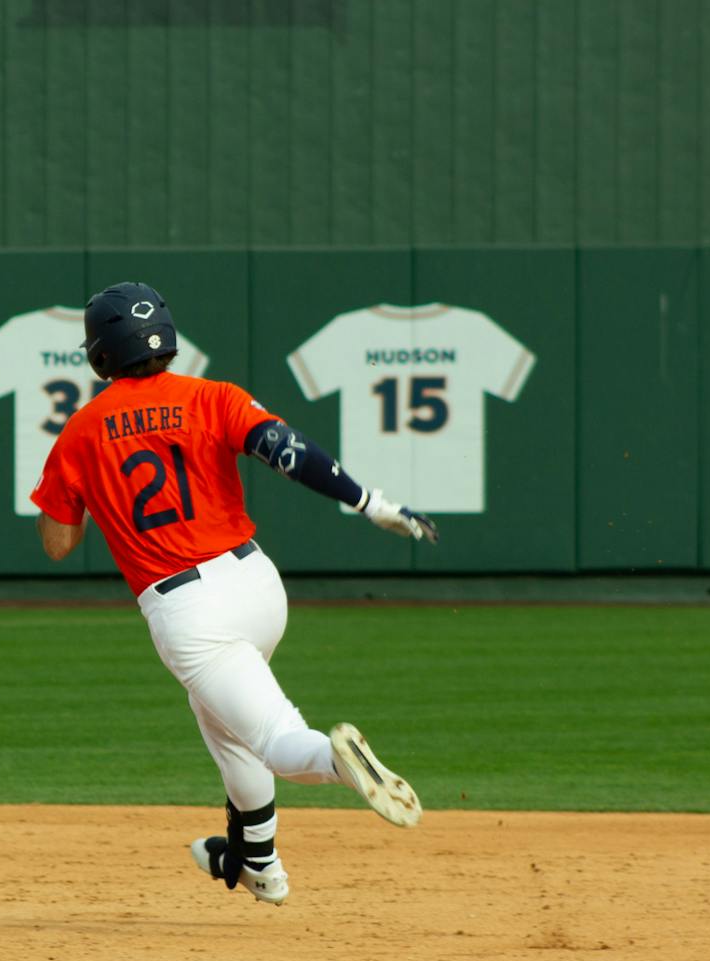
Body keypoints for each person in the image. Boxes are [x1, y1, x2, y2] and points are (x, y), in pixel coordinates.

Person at [31, 282, 437, 906]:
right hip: (257, 585)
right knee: (222, 725)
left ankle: (342, 763)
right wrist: (369, 502)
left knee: (276, 740)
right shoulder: (211, 396)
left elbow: (58, 542)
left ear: (100, 354)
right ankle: (260, 863)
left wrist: (78, 483)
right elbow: (288, 452)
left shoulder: (82, 433)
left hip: (189, 612)